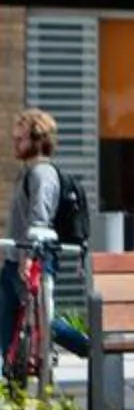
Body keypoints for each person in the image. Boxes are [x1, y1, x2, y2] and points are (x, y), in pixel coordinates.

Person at [3, 108, 61, 388]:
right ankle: (9, 385)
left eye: (20, 139)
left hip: (30, 263)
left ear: (37, 139)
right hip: (14, 262)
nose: (15, 143)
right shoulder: (26, 174)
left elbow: (39, 221)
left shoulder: (43, 174)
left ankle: (90, 346)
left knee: (45, 325)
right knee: (9, 329)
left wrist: (29, 261)